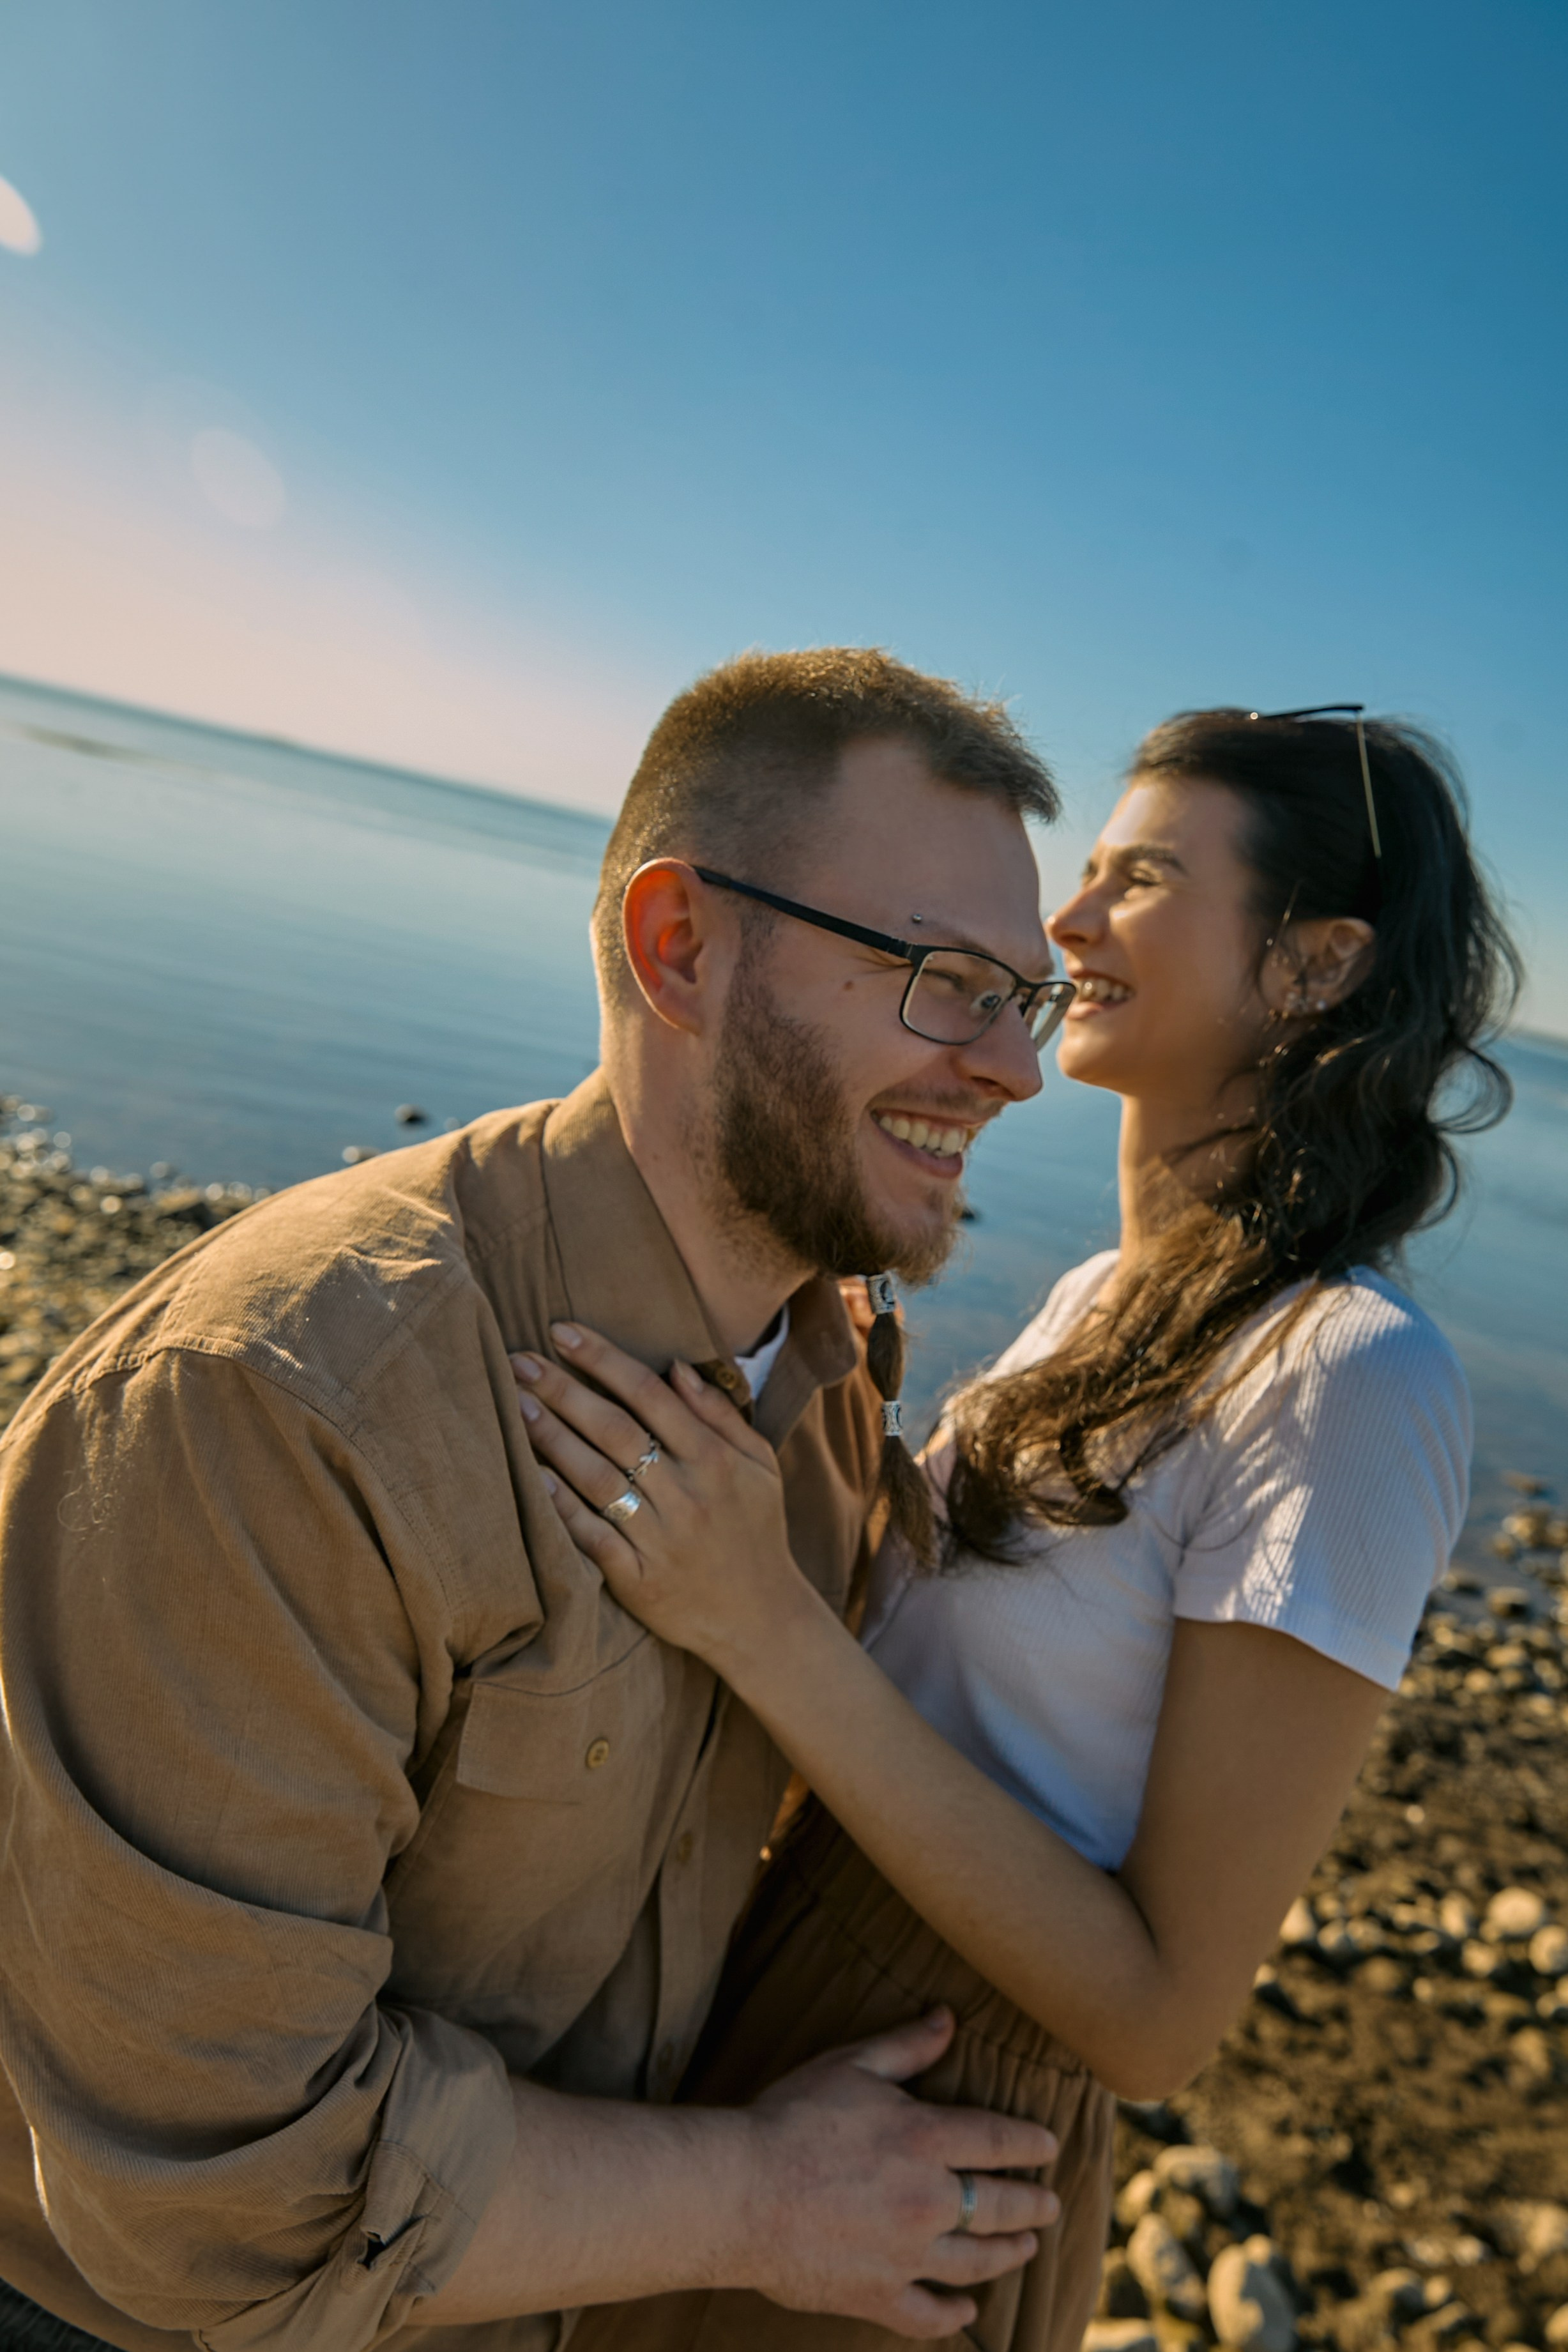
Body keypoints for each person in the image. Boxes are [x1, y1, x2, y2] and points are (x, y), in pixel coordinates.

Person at [0, 648, 1074, 2352]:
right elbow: (211, 2206)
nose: (1018, 1069)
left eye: (1035, 996)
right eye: (947, 980)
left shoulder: (822, 1391)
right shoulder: (280, 1409)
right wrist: (763, 2200)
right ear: (681, 947)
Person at [506, 705, 1519, 2352]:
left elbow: (1157, 2017)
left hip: (935, 2100)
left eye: (1144, 878)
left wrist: (754, 1619)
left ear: (1313, 967)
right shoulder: (1106, 1300)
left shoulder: (1351, 1372)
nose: (1064, 921)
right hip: (792, 1992)